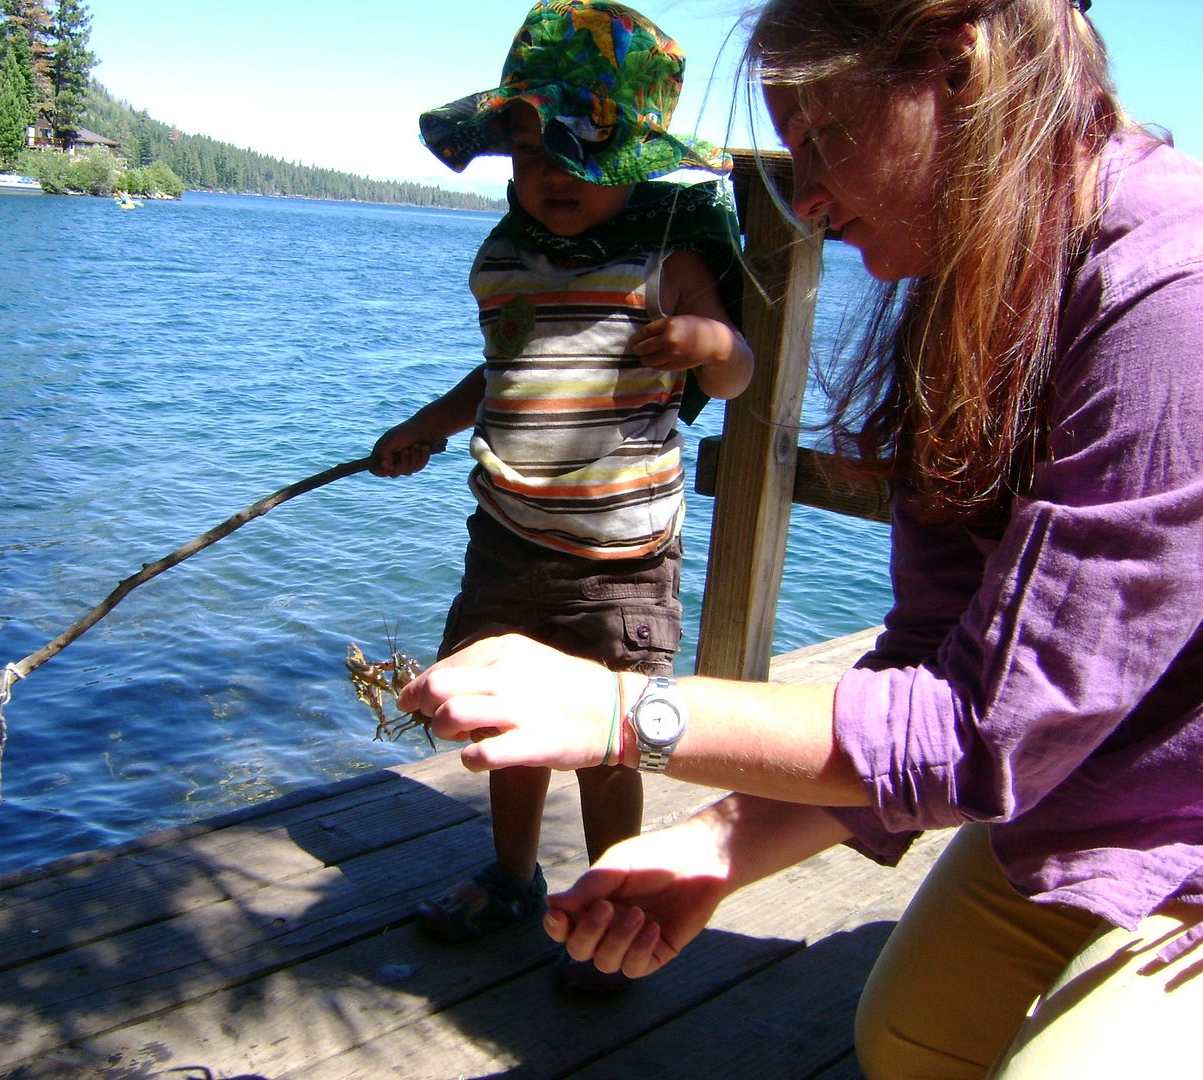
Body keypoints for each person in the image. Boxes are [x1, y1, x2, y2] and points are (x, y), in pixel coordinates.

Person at [396, 0, 1203, 1072]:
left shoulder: (1168, 294)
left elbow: (986, 733)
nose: (807, 199)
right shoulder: (974, 272)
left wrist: (623, 709)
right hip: (1079, 798)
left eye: (824, 140)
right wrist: (716, 846)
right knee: (905, 1042)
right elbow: (930, 653)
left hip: (1169, 824)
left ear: (956, 66)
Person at [371, 0, 754, 988]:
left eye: (581, 152)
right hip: (507, 538)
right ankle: (511, 878)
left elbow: (737, 370)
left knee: (611, 736)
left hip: (621, 562)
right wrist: (425, 427)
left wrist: (710, 346)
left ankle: (613, 895)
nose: (550, 176)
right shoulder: (508, 264)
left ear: (632, 160)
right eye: (531, 152)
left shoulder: (664, 254)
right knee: (508, 725)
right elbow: (496, 377)